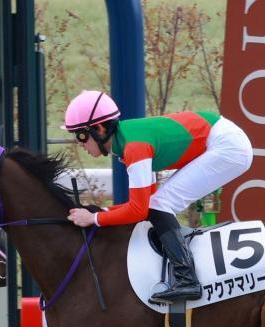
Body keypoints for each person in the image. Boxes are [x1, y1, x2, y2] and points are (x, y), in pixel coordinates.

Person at [63, 90, 253, 304]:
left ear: (99, 128)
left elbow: (139, 210)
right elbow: (144, 203)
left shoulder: (134, 147)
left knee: (161, 204)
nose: (80, 144)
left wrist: (94, 219)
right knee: (157, 203)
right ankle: (184, 275)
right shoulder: (126, 142)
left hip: (228, 147)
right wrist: (103, 212)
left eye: (80, 135)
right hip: (224, 140)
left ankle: (187, 280)